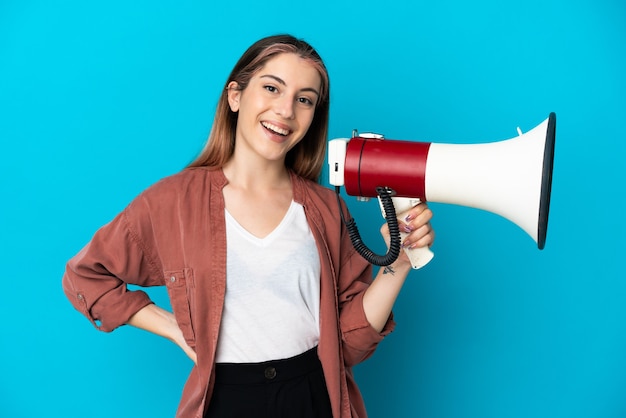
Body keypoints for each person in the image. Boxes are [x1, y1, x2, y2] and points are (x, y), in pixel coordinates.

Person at [62, 34, 434, 418]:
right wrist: (171, 327)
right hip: (226, 400)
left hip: (313, 396)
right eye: (272, 88)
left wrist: (399, 263)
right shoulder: (172, 202)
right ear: (235, 96)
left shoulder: (327, 210)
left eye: (304, 99)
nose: (286, 110)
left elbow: (351, 346)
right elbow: (86, 276)